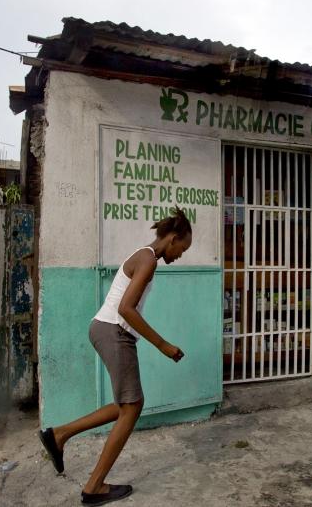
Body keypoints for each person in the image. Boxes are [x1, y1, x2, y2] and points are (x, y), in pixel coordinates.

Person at [38, 207, 191, 505]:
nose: (180, 255)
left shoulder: (146, 256)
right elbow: (126, 309)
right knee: (133, 406)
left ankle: (58, 435)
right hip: (114, 331)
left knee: (125, 404)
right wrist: (163, 345)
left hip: (105, 329)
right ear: (172, 239)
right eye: (182, 249)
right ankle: (94, 487)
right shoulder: (148, 259)